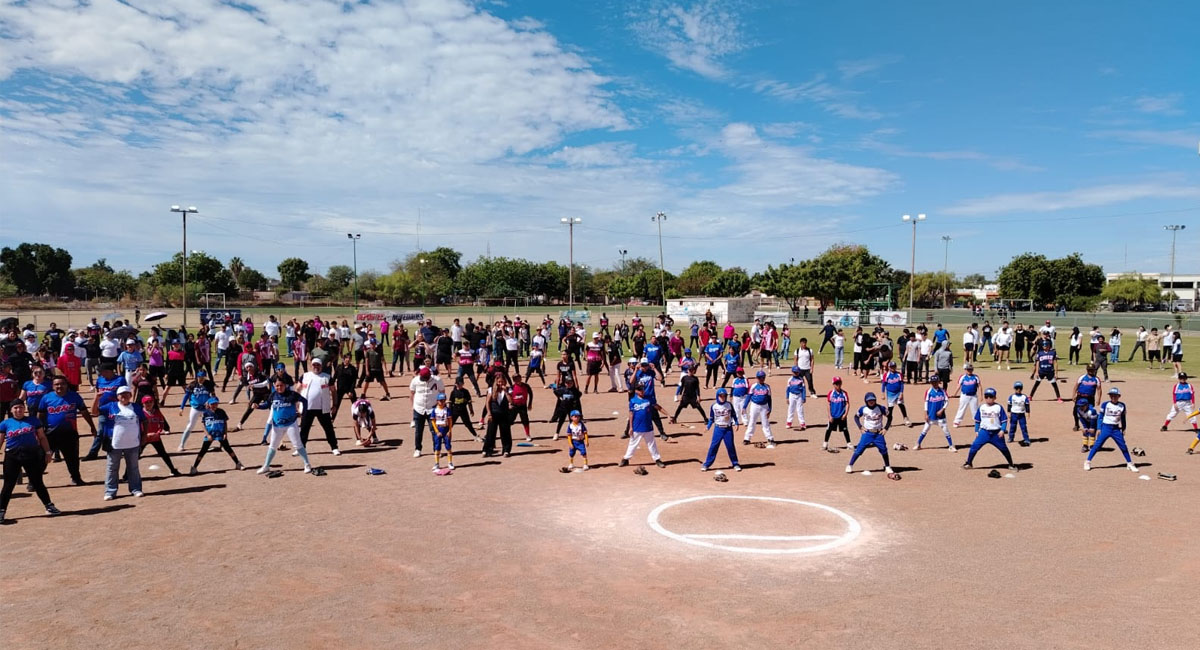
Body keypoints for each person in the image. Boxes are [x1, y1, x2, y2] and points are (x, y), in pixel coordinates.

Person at [0, 401, 61, 523]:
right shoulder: (5, 423)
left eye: (21, 407)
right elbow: (0, 440)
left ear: (25, 409)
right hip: (12, 456)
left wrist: (48, 452)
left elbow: (42, 437)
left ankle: (49, 506)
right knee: (8, 484)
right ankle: (1, 511)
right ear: (11, 410)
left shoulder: (33, 421)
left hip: (31, 455)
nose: (18, 410)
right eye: (16, 408)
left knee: (37, 481)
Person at [38, 376, 96, 485]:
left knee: (72, 458)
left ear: (67, 385)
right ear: (52, 386)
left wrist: (92, 426)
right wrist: (38, 431)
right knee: (43, 458)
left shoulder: (74, 396)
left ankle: (76, 478)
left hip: (70, 433)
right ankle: (34, 481)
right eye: (56, 384)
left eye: (62, 384)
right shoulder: (46, 398)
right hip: (51, 433)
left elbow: (84, 412)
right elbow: (40, 415)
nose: (59, 386)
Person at [255, 379, 312, 474]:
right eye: (277, 386)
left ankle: (307, 464)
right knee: (272, 446)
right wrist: (258, 406)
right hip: (277, 425)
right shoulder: (273, 395)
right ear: (274, 386)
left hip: (291, 424)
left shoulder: (292, 394)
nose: (279, 387)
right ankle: (266, 466)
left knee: (297, 444)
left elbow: (304, 401)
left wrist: (304, 413)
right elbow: (267, 405)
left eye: (281, 385)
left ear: (285, 385)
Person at [99, 386, 147, 499]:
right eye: (121, 394)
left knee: (133, 467)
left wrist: (144, 435)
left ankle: (136, 489)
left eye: (126, 394)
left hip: (133, 443)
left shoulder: (136, 407)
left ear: (130, 395)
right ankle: (110, 491)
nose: (124, 396)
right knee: (112, 467)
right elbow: (95, 412)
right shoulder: (111, 406)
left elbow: (144, 420)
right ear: (117, 397)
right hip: (115, 443)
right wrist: (96, 398)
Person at [962, 388, 1018, 471]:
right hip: (984, 432)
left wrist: (1002, 430)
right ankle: (969, 463)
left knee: (1004, 449)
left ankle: (1011, 464)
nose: (988, 398)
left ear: (995, 397)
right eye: (986, 396)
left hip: (996, 433)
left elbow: (1004, 420)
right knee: (974, 447)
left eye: (991, 396)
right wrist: (976, 431)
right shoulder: (982, 407)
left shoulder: (998, 407)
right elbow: (977, 421)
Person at [1085, 387, 1138, 472]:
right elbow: (1100, 417)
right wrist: (1099, 428)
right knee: (1097, 445)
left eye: (1115, 396)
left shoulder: (1122, 406)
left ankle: (1130, 463)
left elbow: (1123, 418)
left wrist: (1124, 428)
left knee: (1123, 446)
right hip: (1106, 427)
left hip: (1116, 429)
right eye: (1111, 396)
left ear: (1119, 396)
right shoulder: (1105, 404)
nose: (1113, 397)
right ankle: (1088, 461)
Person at [189, 397, 244, 475]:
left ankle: (238, 464)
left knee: (228, 449)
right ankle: (194, 467)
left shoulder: (221, 412)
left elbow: (225, 423)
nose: (215, 405)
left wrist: (225, 433)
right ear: (209, 405)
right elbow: (203, 425)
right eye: (213, 404)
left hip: (220, 434)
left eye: (216, 403)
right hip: (210, 434)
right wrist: (207, 435)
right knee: (203, 451)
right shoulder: (205, 413)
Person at [298, 358, 341, 456]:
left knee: (328, 428)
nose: (316, 367)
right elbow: (298, 389)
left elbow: (334, 392)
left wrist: (334, 405)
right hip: (307, 407)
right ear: (311, 365)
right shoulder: (305, 376)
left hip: (323, 408)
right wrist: (297, 405)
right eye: (314, 365)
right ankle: (301, 447)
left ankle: (334, 447)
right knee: (304, 428)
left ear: (321, 366)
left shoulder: (327, 377)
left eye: (318, 365)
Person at [618, 384, 667, 468]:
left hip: (648, 426)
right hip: (637, 427)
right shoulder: (633, 401)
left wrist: (668, 414)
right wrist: (630, 427)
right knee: (632, 444)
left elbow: (657, 407)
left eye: (643, 389)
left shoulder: (648, 399)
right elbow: (631, 414)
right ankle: (626, 459)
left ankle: (657, 459)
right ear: (636, 391)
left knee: (652, 444)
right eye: (640, 390)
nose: (642, 391)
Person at [846, 392, 894, 474]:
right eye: (869, 400)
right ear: (866, 401)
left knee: (884, 450)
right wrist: (860, 427)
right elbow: (856, 417)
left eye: (873, 400)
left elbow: (890, 417)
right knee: (859, 449)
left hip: (878, 433)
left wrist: (886, 428)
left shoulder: (881, 408)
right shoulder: (863, 409)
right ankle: (850, 465)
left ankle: (887, 466)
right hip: (867, 433)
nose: (871, 402)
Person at [138, 394, 181, 476]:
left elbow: (161, 423)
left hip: (155, 438)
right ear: (143, 404)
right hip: (144, 438)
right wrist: (145, 434)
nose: (149, 404)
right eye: (146, 402)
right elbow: (138, 426)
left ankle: (173, 470)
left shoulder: (157, 412)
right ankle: (127, 475)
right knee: (136, 456)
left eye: (151, 402)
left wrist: (158, 433)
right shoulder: (140, 414)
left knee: (164, 454)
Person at [700, 388, 741, 472]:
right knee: (713, 446)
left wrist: (736, 423)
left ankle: (735, 463)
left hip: (728, 429)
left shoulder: (729, 405)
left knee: (730, 447)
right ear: (717, 396)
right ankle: (707, 464)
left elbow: (733, 415)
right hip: (718, 429)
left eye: (724, 396)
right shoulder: (714, 406)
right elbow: (711, 418)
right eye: (720, 396)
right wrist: (708, 426)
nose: (722, 397)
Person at [177, 369, 215, 451]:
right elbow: (186, 397)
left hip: (206, 408)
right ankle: (181, 444)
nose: (201, 379)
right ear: (196, 376)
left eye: (202, 377)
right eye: (199, 377)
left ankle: (206, 445)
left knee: (209, 426)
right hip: (195, 408)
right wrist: (181, 407)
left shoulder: (209, 384)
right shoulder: (192, 385)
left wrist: (212, 404)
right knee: (190, 425)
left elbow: (213, 396)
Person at [916, 375, 955, 451]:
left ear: (938, 382)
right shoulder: (929, 391)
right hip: (931, 415)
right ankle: (918, 444)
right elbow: (926, 403)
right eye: (933, 382)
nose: (934, 384)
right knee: (925, 429)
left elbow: (947, 401)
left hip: (941, 416)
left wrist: (942, 410)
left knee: (945, 430)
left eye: (936, 382)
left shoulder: (943, 391)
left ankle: (951, 446)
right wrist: (925, 413)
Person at [481, 374, 513, 458]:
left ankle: (506, 450)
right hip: (494, 413)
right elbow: (487, 402)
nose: (500, 383)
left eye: (502, 382)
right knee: (490, 433)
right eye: (499, 382)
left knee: (505, 433)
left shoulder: (508, 389)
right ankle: (487, 450)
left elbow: (511, 401)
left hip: (504, 414)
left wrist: (506, 392)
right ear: (496, 382)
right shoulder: (491, 389)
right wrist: (489, 413)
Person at [742, 370, 775, 447]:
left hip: (764, 406)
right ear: (757, 378)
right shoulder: (753, 386)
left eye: (763, 377)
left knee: (765, 422)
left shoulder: (767, 387)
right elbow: (749, 396)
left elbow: (769, 399)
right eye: (760, 377)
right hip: (754, 405)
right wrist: (744, 407)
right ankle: (747, 438)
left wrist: (770, 409)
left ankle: (770, 438)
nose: (761, 379)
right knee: (752, 422)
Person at [880, 361, 911, 427]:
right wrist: (883, 393)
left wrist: (901, 393)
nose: (893, 368)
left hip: (898, 393)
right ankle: (889, 421)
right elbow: (883, 384)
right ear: (889, 367)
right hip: (890, 394)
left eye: (894, 366)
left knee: (901, 405)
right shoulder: (886, 375)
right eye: (891, 367)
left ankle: (905, 418)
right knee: (890, 408)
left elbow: (902, 384)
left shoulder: (899, 374)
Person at [448, 377, 480, 442]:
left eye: (461, 384)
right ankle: (444, 437)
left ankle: (475, 436)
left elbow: (469, 402)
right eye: (459, 384)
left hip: (463, 410)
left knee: (468, 424)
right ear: (456, 384)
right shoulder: (453, 392)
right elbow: (450, 403)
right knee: (450, 424)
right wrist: (449, 412)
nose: (460, 385)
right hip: (455, 411)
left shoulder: (465, 392)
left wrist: (471, 410)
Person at [823, 377, 851, 451]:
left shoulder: (844, 393)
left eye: (839, 383)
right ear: (833, 384)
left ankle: (849, 443)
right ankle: (825, 443)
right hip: (833, 415)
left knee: (845, 429)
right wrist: (829, 416)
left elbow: (847, 404)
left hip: (842, 415)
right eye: (836, 383)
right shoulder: (831, 393)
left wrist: (845, 414)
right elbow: (828, 404)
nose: (838, 385)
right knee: (829, 429)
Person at [1072, 364, 1102, 432]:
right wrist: (1073, 395)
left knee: (1090, 412)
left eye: (1092, 370)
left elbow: (1099, 389)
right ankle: (1076, 424)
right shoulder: (1082, 377)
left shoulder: (1096, 379)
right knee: (1075, 411)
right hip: (1080, 396)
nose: (1090, 371)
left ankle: (1090, 426)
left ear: (1094, 370)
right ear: (1087, 370)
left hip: (1090, 398)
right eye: (1089, 370)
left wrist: (1099, 398)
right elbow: (1076, 386)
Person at [951, 362, 981, 428]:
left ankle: (977, 422)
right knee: (962, 408)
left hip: (973, 396)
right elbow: (959, 385)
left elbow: (979, 386)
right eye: (968, 369)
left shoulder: (975, 377)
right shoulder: (963, 377)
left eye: (971, 369)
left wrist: (981, 395)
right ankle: (957, 421)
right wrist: (954, 394)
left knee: (975, 409)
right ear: (965, 370)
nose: (969, 371)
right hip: (964, 396)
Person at [430, 393, 454, 472]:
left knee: (448, 446)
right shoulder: (434, 410)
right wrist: (437, 431)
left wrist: (450, 431)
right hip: (438, 429)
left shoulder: (447, 410)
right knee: (437, 447)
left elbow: (450, 421)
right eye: (440, 401)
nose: (442, 402)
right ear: (437, 401)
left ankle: (450, 462)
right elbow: (433, 421)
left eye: (443, 400)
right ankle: (437, 464)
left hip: (446, 429)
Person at [1007, 381, 1031, 446]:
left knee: (1023, 427)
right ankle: (1011, 438)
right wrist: (1009, 412)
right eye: (1017, 388)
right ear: (1014, 389)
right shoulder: (1012, 397)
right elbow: (1009, 405)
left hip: (1021, 415)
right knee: (1012, 426)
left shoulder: (1024, 397)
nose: (1018, 390)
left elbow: (1027, 405)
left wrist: (1028, 413)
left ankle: (1026, 439)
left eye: (1020, 388)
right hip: (1014, 414)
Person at [784, 365, 807, 430]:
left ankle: (802, 423)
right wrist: (787, 397)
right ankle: (789, 422)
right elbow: (788, 389)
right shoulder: (790, 379)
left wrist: (803, 397)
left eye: (797, 372)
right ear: (792, 372)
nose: (795, 373)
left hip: (799, 395)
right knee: (791, 409)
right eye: (794, 372)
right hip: (792, 395)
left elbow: (803, 389)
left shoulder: (801, 379)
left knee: (800, 409)